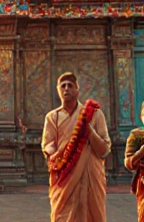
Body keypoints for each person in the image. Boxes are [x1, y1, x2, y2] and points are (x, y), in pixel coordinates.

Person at [42, 71, 112, 222]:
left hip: (90, 176)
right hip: (64, 175)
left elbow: (105, 150)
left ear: (77, 90)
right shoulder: (52, 117)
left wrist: (88, 129)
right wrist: (55, 156)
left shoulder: (94, 115)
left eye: (70, 86)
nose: (66, 89)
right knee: (62, 215)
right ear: (58, 90)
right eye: (63, 86)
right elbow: (48, 144)